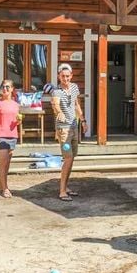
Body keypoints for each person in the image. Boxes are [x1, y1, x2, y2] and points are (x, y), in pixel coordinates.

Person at [51, 63, 88, 201]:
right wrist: (59, 112)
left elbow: (76, 105)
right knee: (68, 158)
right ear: (59, 76)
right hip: (64, 130)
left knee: (72, 158)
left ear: (71, 76)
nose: (65, 78)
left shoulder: (74, 87)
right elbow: (55, 104)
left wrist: (83, 121)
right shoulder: (56, 91)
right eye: (63, 76)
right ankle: (62, 191)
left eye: (67, 76)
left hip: (74, 127)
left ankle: (66, 187)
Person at [0, 79, 20, 198]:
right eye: (3, 87)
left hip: (12, 135)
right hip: (0, 135)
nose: (5, 89)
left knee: (7, 163)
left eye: (7, 87)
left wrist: (19, 121)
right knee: (4, 160)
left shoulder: (16, 105)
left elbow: (16, 121)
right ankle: (5, 188)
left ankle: (1, 185)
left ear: (12, 89)